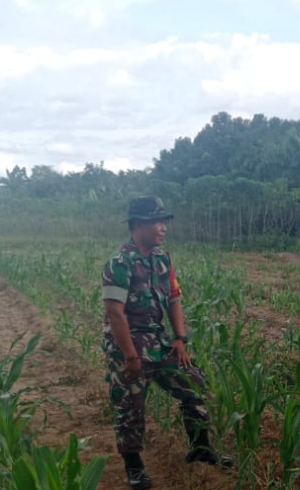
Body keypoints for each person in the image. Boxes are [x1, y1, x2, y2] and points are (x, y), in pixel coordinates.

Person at [101, 196, 232, 490]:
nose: (164, 228)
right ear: (139, 224)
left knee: (194, 384)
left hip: (160, 344)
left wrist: (180, 338)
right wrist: (130, 357)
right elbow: (115, 313)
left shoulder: (163, 259)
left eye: (164, 222)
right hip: (128, 348)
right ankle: (134, 467)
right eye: (158, 222)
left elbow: (174, 298)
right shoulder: (118, 264)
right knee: (130, 406)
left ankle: (201, 447)